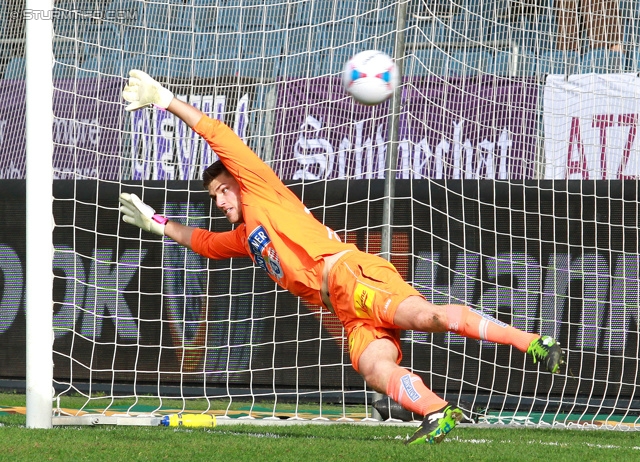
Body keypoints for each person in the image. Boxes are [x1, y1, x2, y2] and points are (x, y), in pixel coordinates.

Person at [118, 69, 565, 445]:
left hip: (354, 278)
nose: (218, 202)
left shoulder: (259, 188)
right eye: (213, 197)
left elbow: (218, 134)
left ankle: (533, 343)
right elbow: (205, 245)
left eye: (221, 191)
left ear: (237, 181)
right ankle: (436, 410)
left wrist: (166, 100)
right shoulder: (247, 235)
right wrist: (156, 222)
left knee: (428, 319)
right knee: (374, 369)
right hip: (347, 313)